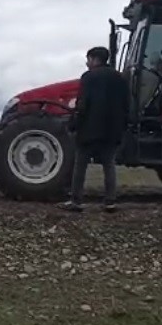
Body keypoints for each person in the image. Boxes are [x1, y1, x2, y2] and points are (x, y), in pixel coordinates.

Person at [62, 46, 131, 212]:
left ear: (94, 59)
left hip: (89, 130)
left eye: (88, 59)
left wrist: (73, 124)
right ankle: (110, 201)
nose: (87, 63)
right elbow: (127, 104)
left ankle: (76, 201)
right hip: (112, 131)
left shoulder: (88, 77)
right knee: (109, 165)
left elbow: (82, 105)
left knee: (81, 165)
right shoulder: (120, 78)